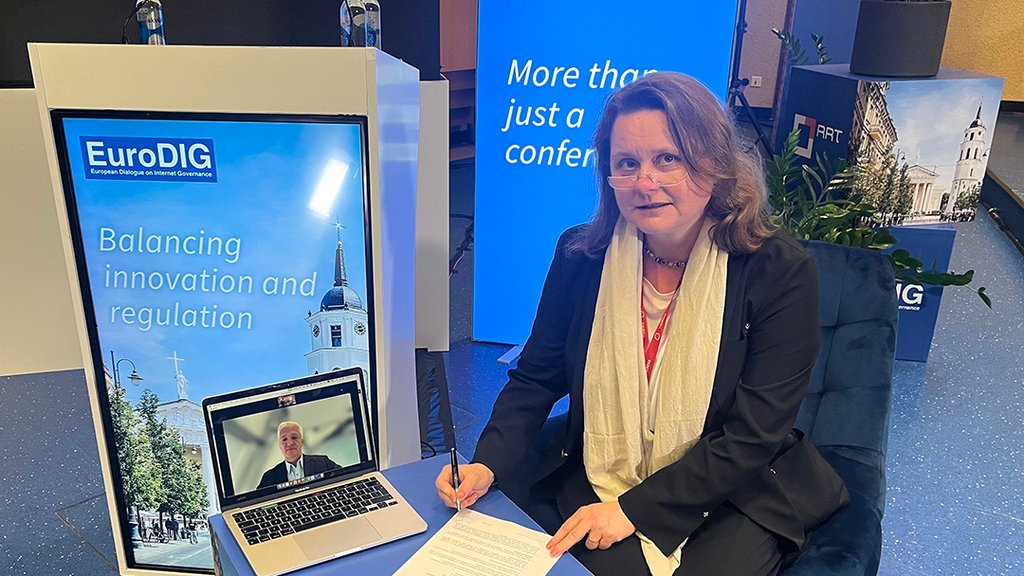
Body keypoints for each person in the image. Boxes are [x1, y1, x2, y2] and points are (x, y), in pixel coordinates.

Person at [435, 72, 849, 576]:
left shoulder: (779, 270)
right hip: (607, 469)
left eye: (667, 160)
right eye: (626, 163)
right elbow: (537, 377)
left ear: (715, 163)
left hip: (735, 486)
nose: (644, 183)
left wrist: (632, 512)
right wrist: (488, 461)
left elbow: (753, 435)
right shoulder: (580, 255)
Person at [257, 421, 340, 489]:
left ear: (302, 441)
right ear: (280, 445)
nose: (289, 443)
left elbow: (343, 478)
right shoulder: (269, 477)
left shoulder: (323, 462)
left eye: (294, 437)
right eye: (284, 439)